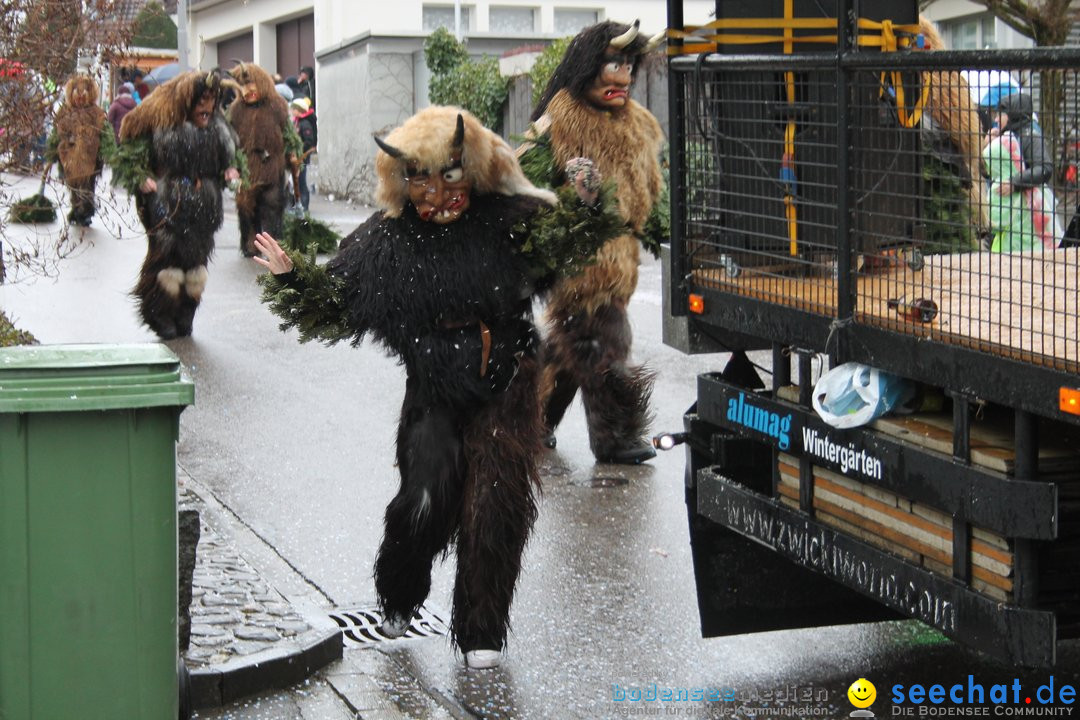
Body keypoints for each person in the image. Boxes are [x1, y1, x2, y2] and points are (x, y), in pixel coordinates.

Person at [254, 106, 623, 669]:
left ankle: (482, 633)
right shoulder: (387, 240)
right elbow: (334, 303)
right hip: (433, 391)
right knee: (423, 504)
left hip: (507, 384)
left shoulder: (508, 219)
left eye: (448, 175)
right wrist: (291, 277)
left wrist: (588, 202)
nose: (435, 193)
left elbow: (565, 239)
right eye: (419, 179)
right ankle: (400, 597)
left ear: (469, 169)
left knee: (498, 507)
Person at [518, 19, 667, 464]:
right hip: (577, 264)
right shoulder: (558, 121)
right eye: (612, 64)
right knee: (607, 343)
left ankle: (532, 423)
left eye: (629, 65)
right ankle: (615, 437)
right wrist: (574, 198)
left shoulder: (637, 123)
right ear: (587, 66)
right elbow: (524, 184)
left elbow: (650, 193)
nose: (622, 77)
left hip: (621, 263)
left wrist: (661, 227)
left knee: (568, 353)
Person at [113, 68, 242, 338]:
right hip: (168, 204)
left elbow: (230, 156)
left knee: (197, 262)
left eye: (211, 100)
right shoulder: (162, 122)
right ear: (188, 100)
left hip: (204, 207)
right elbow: (130, 151)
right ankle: (160, 312)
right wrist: (141, 176)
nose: (207, 107)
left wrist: (231, 169)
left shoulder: (219, 128)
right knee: (167, 260)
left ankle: (187, 311)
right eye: (201, 100)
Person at [226, 62, 301, 256]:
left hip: (272, 169)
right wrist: (231, 166)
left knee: (273, 205)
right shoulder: (236, 110)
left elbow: (289, 133)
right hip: (247, 172)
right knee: (246, 209)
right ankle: (250, 244)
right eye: (241, 86)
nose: (246, 91)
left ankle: (272, 245)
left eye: (250, 85)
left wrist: (293, 154)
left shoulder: (277, 106)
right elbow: (228, 140)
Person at [982, 93, 1060, 252]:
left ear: (1012, 114)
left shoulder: (1031, 135)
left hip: (1031, 215)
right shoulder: (1007, 137)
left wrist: (1015, 182)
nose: (996, 119)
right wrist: (987, 146)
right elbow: (990, 172)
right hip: (1011, 217)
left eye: (1000, 114)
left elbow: (1044, 168)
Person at [45, 74, 115, 226]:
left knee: (87, 186)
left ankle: (85, 212)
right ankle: (76, 208)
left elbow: (106, 134)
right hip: (68, 158)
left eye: (84, 93)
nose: (81, 97)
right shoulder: (65, 112)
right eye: (77, 93)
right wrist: (51, 153)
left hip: (90, 159)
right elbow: (55, 135)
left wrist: (110, 153)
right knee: (72, 186)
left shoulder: (97, 113)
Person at [289, 96, 316, 211]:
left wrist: (299, 150)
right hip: (297, 157)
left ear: (298, 110)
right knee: (295, 181)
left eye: (293, 109)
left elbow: (309, 141)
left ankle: (304, 206)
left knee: (301, 182)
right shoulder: (297, 122)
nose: (291, 111)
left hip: (303, 158)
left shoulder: (305, 124)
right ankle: (296, 204)